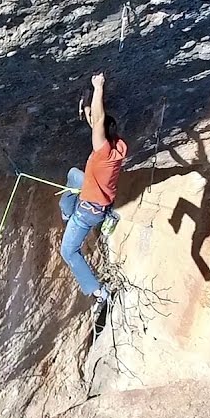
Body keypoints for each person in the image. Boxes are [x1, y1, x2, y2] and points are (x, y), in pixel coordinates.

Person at [60, 72, 127, 306]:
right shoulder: (117, 146)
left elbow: (98, 123)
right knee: (73, 175)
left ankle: (97, 290)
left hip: (88, 211)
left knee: (68, 252)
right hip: (96, 199)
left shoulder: (103, 152)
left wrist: (98, 87)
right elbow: (97, 122)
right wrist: (89, 106)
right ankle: (66, 211)